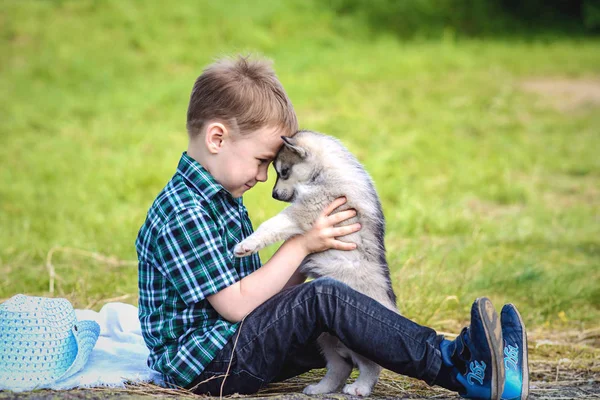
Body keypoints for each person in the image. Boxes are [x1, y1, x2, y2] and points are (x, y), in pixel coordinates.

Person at [135, 55, 528, 400]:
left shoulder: (222, 199)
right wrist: (300, 246)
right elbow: (237, 307)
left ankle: (480, 361)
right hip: (207, 368)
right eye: (259, 161)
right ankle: (460, 366)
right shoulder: (183, 211)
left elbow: (257, 294)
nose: (261, 176)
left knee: (338, 293)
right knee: (325, 298)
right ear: (217, 138)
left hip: (234, 344)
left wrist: (313, 256)